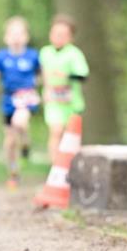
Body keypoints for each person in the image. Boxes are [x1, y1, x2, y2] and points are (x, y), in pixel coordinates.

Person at [0, 16, 40, 189]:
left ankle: (26, 142)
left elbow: (41, 74)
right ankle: (13, 172)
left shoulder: (33, 56)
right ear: (6, 37)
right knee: (10, 140)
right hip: (8, 99)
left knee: (19, 121)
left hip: (27, 97)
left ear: (26, 37)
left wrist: (41, 89)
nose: (16, 37)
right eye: (12, 34)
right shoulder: (1, 57)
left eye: (20, 34)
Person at [39, 14, 89, 162]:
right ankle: (55, 168)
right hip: (53, 100)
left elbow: (83, 76)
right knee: (56, 131)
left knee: (71, 137)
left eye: (63, 34)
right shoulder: (45, 52)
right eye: (55, 33)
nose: (58, 37)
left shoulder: (74, 54)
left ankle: (70, 169)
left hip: (72, 103)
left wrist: (67, 75)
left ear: (70, 37)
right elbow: (42, 73)